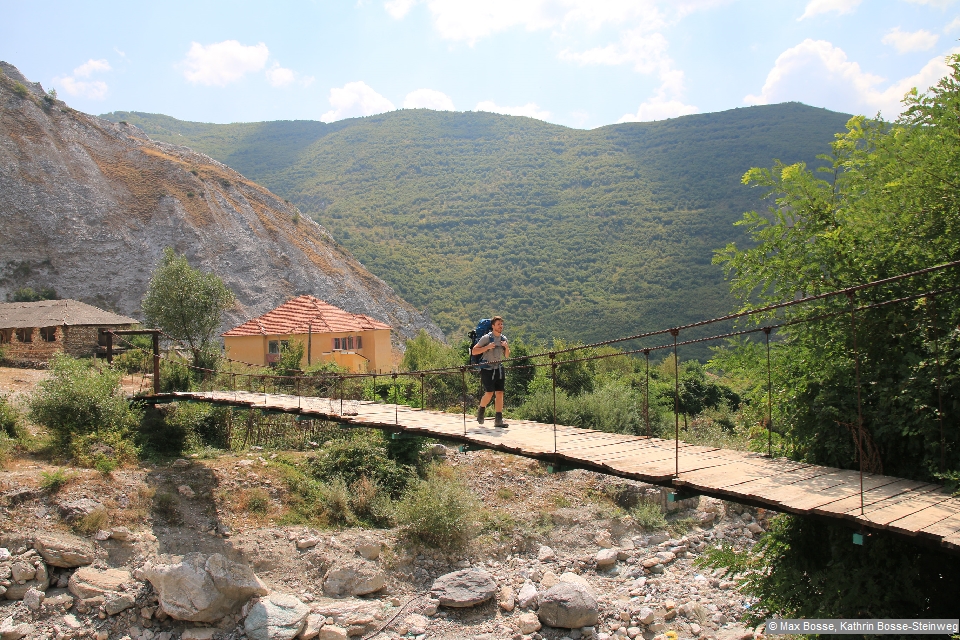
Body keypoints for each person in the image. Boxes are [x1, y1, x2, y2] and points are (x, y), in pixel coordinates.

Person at [472, 316, 510, 427]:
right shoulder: (486, 338)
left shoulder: (504, 339)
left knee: (500, 393)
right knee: (489, 393)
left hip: (499, 368)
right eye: (498, 324)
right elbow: (474, 351)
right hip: (487, 368)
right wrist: (487, 347)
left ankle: (498, 420)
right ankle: (481, 409)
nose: (501, 326)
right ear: (493, 326)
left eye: (502, 324)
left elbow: (507, 356)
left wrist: (506, 348)